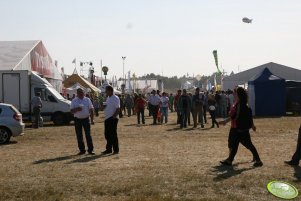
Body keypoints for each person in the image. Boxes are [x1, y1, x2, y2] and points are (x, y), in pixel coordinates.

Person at [219, 87, 263, 167]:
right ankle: (230, 160)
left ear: (238, 95)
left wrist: (225, 121)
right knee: (237, 144)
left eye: (235, 93)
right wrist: (252, 125)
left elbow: (236, 116)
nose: (234, 95)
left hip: (239, 129)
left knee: (247, 145)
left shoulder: (239, 105)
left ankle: (258, 161)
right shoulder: (244, 104)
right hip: (242, 129)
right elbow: (249, 116)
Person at [70, 88, 95, 155]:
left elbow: (91, 109)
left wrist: (92, 119)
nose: (81, 94)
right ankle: (82, 150)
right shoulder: (74, 101)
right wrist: (77, 109)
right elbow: (71, 111)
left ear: (84, 92)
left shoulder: (87, 99)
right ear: (77, 93)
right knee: (79, 135)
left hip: (86, 119)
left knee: (88, 135)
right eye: (79, 92)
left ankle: (90, 150)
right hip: (77, 120)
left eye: (82, 92)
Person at [102, 86, 120, 155]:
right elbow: (107, 107)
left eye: (106, 90)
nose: (105, 92)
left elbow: (118, 109)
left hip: (112, 118)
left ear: (110, 90)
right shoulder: (108, 98)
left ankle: (116, 150)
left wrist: (113, 117)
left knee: (113, 135)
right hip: (107, 118)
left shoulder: (115, 98)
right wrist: (104, 107)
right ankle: (109, 149)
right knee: (107, 134)